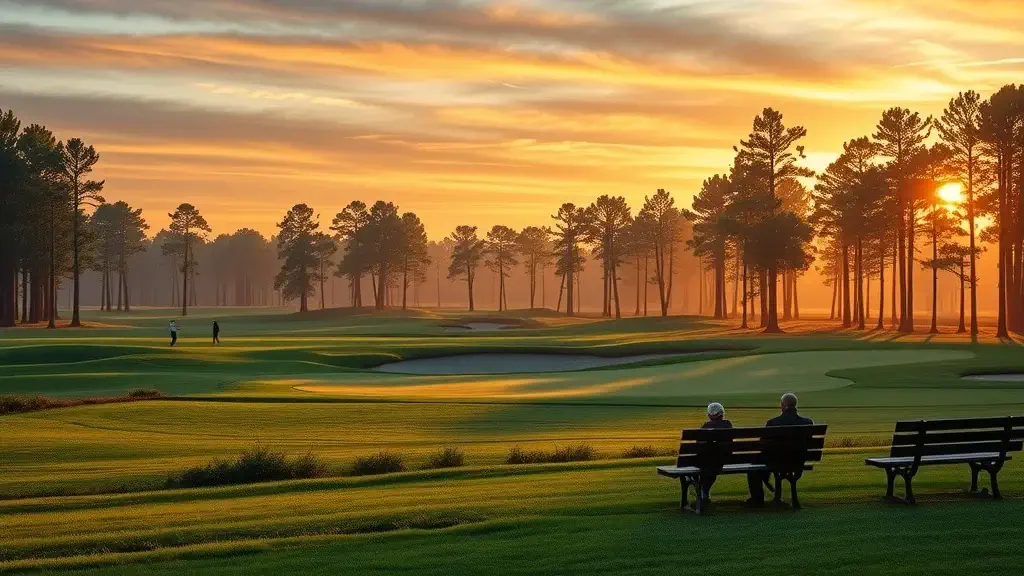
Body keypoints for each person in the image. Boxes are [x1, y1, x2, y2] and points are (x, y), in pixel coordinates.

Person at [746, 392, 813, 506]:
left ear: (783, 405)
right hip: (798, 461)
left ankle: (757, 498)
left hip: (776, 462)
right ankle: (767, 482)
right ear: (795, 405)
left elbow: (763, 444)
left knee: (754, 465)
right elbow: (809, 443)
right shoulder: (807, 422)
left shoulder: (773, 423)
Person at [698, 402, 733, 505]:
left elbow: (699, 445)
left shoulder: (705, 426)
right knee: (712, 466)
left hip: (708, 462)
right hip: (725, 460)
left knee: (708, 465)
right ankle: (705, 492)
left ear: (709, 415)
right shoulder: (727, 425)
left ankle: (704, 492)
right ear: (722, 414)